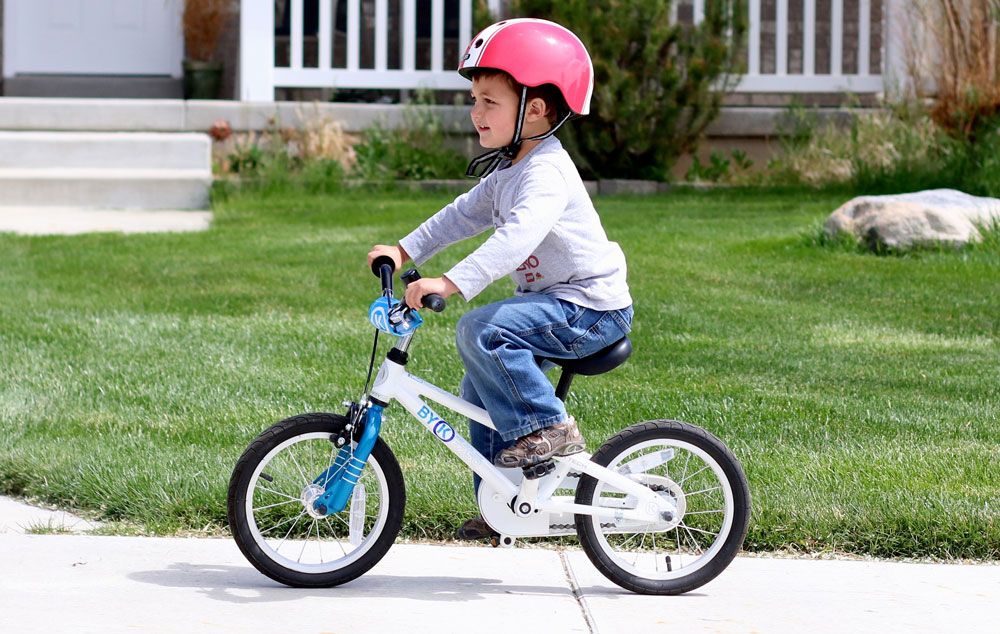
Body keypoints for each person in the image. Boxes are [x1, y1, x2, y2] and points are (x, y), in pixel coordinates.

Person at [366, 18, 632, 540]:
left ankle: (547, 431)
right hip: (558, 305)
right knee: (478, 385)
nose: (475, 112)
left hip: (590, 309)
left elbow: (515, 240)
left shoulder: (547, 173)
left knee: (481, 331)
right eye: (474, 99)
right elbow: (461, 214)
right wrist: (404, 249)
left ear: (535, 109)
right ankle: (504, 505)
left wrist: (451, 282)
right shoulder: (509, 169)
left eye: (490, 101)